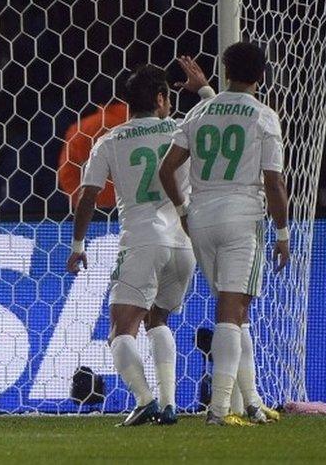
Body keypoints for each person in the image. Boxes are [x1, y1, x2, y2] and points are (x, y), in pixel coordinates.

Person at [159, 42, 290, 426]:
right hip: (241, 217)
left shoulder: (200, 110)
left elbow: (167, 169)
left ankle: (250, 400)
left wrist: (183, 211)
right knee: (231, 312)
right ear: (262, 75)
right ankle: (218, 409)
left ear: (226, 70)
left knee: (238, 313)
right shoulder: (264, 116)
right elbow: (274, 181)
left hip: (200, 218)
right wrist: (282, 232)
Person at [67, 65, 195, 426]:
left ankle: (145, 399)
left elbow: (87, 196)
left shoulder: (109, 141)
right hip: (185, 242)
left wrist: (78, 244)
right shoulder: (183, 130)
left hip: (141, 240)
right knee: (159, 319)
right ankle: (169, 403)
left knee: (121, 329)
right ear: (160, 99)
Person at [58, 99, 129, 208]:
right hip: (135, 207)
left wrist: (84, 206)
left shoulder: (81, 127)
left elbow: (67, 174)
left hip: (91, 209)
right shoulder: (141, 127)